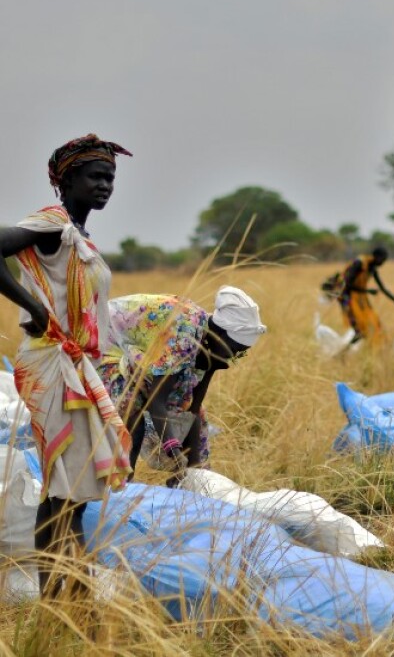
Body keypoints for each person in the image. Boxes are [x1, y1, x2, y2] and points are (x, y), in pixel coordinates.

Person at [0, 135, 133, 599]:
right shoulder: (53, 224)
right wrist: (31, 306)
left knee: (74, 492)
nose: (105, 185)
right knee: (62, 491)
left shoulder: (79, 233)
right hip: (51, 362)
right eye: (96, 176)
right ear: (67, 179)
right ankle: (60, 604)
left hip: (75, 364)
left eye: (111, 178)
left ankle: (70, 598)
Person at [97, 286, 266, 487]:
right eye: (235, 350)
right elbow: (156, 401)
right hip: (102, 340)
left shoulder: (208, 340)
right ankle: (120, 488)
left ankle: (191, 487)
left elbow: (191, 410)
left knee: (197, 421)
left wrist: (185, 459)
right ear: (220, 334)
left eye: (241, 353)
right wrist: (173, 449)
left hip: (133, 348)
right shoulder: (185, 335)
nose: (234, 357)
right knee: (131, 411)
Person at [337, 247, 394, 349]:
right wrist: (367, 291)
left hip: (360, 299)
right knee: (360, 331)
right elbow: (346, 284)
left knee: (376, 325)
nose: (383, 263)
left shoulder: (372, 268)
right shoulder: (359, 263)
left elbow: (384, 290)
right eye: (382, 259)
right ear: (376, 256)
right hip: (347, 298)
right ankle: (341, 355)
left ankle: (372, 352)